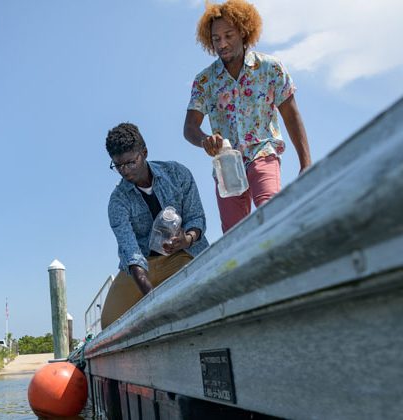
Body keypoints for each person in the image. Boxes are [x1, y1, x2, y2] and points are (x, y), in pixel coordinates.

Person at [184, 0, 312, 233]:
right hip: (226, 164)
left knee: (271, 216)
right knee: (235, 236)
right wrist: (205, 140)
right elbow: (190, 128)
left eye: (228, 35)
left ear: (243, 32)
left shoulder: (270, 68)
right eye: (216, 38)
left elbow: (291, 116)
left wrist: (306, 164)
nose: (222, 43)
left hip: (262, 152)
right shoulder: (204, 81)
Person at [101, 123, 209, 329]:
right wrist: (152, 299)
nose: (124, 171)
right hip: (143, 268)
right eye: (117, 165)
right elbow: (131, 253)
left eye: (130, 163)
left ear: (144, 152)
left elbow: (197, 218)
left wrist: (187, 239)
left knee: (207, 295)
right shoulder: (117, 201)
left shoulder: (177, 174)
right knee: (109, 323)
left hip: (182, 256)